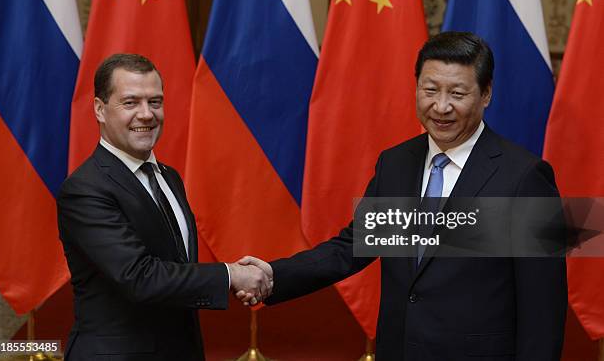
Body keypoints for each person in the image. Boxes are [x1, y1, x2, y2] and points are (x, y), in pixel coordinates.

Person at [239, 32, 567, 360]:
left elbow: (543, 307)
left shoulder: (524, 178)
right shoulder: (396, 164)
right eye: (430, 90)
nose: (441, 106)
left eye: (457, 93)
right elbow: (350, 249)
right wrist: (273, 275)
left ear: (486, 94)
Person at [57, 53, 270, 361]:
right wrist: (230, 276)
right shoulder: (85, 189)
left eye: (155, 102)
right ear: (100, 110)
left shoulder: (169, 177)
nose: (146, 114)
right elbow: (139, 277)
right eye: (130, 103)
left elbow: (176, 268)